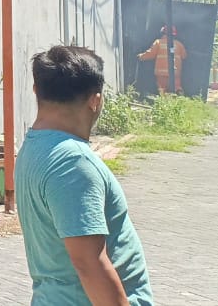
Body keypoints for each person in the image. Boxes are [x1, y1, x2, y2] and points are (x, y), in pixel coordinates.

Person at [18, 45, 154, 306]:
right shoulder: (73, 162)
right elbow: (89, 264)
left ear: (36, 91)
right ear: (95, 100)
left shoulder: (35, 146)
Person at [137, 27, 186, 95]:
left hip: (161, 73)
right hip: (175, 72)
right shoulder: (179, 44)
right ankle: (179, 97)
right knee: (177, 87)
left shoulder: (158, 42)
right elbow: (184, 56)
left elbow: (150, 54)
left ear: (162, 33)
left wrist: (141, 57)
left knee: (162, 89)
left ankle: (164, 100)